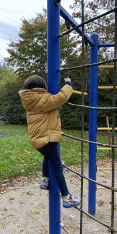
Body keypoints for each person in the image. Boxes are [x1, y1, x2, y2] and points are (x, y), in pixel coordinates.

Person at [19, 75, 80, 208]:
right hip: (47, 138)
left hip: (37, 140)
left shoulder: (29, 99)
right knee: (57, 166)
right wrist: (68, 85)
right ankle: (66, 197)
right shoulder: (44, 99)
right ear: (42, 88)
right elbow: (61, 98)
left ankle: (44, 179)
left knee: (48, 156)